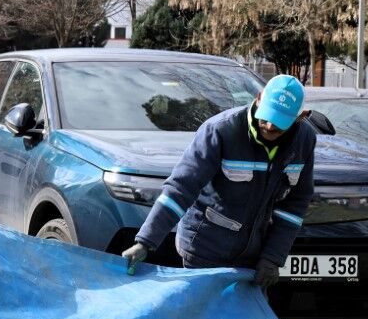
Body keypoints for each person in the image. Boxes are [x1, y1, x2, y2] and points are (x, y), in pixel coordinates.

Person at [121, 74, 315, 288]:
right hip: (205, 250)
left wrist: (272, 257)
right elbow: (181, 187)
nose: (269, 126)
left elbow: (295, 204)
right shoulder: (221, 130)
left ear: (300, 117)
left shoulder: (304, 140)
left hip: (252, 256)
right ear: (259, 98)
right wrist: (145, 242)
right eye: (266, 117)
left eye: (279, 122)